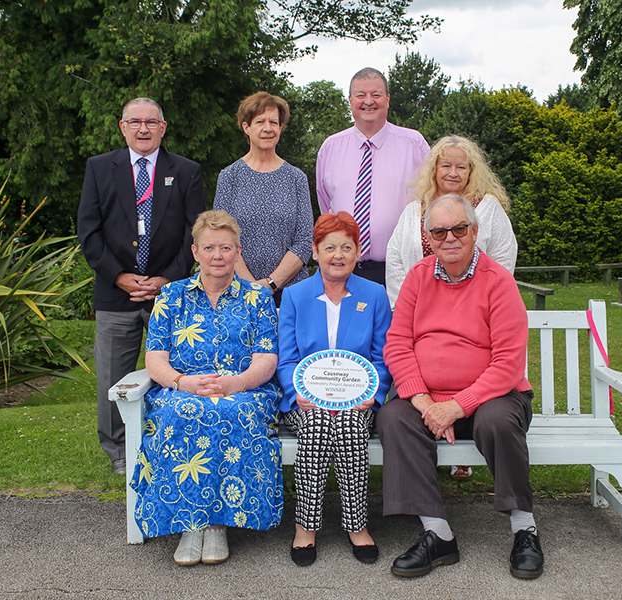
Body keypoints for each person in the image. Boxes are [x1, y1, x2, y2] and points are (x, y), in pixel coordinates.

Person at [378, 194, 543, 579]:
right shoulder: (418, 277)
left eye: (459, 229)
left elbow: (508, 364)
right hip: (429, 398)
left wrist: (458, 406)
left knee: (497, 421)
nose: (449, 237)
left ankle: (524, 529)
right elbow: (398, 344)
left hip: (495, 396)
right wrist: (422, 400)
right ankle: (438, 535)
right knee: (393, 418)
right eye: (439, 231)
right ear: (428, 237)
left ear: (475, 231)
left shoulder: (498, 282)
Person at [130, 210, 283, 566]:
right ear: (196, 251)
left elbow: (267, 358)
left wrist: (237, 382)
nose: (218, 255)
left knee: (231, 411)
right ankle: (190, 525)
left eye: (226, 248)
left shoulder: (257, 299)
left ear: (237, 251)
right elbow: (155, 358)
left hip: (243, 388)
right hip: (183, 386)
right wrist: (181, 382)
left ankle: (216, 526)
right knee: (177, 411)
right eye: (210, 247)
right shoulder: (172, 295)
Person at [78, 97, 206, 475]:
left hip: (171, 294)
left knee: (179, 369)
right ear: (123, 126)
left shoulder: (186, 171)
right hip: (115, 293)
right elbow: (88, 230)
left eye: (151, 122)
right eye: (135, 122)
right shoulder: (100, 168)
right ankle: (118, 449)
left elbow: (194, 231)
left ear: (163, 128)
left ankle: (174, 439)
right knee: (113, 377)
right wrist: (118, 276)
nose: (144, 128)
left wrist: (168, 278)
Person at [385, 134, 518, 481]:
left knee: (496, 415)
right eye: (446, 164)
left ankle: (520, 521)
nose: (453, 171)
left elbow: (502, 261)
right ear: (434, 168)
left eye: (462, 165)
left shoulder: (487, 208)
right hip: (420, 316)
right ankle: (432, 523)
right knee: (395, 416)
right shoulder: (415, 210)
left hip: (477, 320)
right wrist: (409, 310)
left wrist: (483, 293)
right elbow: (396, 262)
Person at [277, 212, 392, 566]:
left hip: (357, 402)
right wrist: (298, 392)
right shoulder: (295, 296)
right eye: (329, 247)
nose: (338, 255)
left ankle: (356, 525)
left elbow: (383, 355)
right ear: (315, 251)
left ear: (358, 252)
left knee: (348, 425)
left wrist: (374, 393)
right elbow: (285, 358)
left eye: (346, 247)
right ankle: (305, 528)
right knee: (316, 425)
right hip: (304, 402)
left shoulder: (374, 295)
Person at [316, 67, 430, 286]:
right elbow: (326, 205)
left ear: (387, 99)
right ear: (350, 100)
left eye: (376, 94)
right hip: (344, 271)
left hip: (400, 271)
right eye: (361, 95)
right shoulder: (330, 147)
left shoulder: (414, 144)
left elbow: (432, 201)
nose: (369, 101)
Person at [213, 91, 313, 304]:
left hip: (291, 295)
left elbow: (304, 240)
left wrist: (270, 283)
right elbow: (221, 239)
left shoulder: (296, 178)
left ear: (280, 128)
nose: (268, 128)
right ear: (246, 128)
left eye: (274, 122)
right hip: (238, 292)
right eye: (260, 121)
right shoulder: (229, 177)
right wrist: (251, 286)